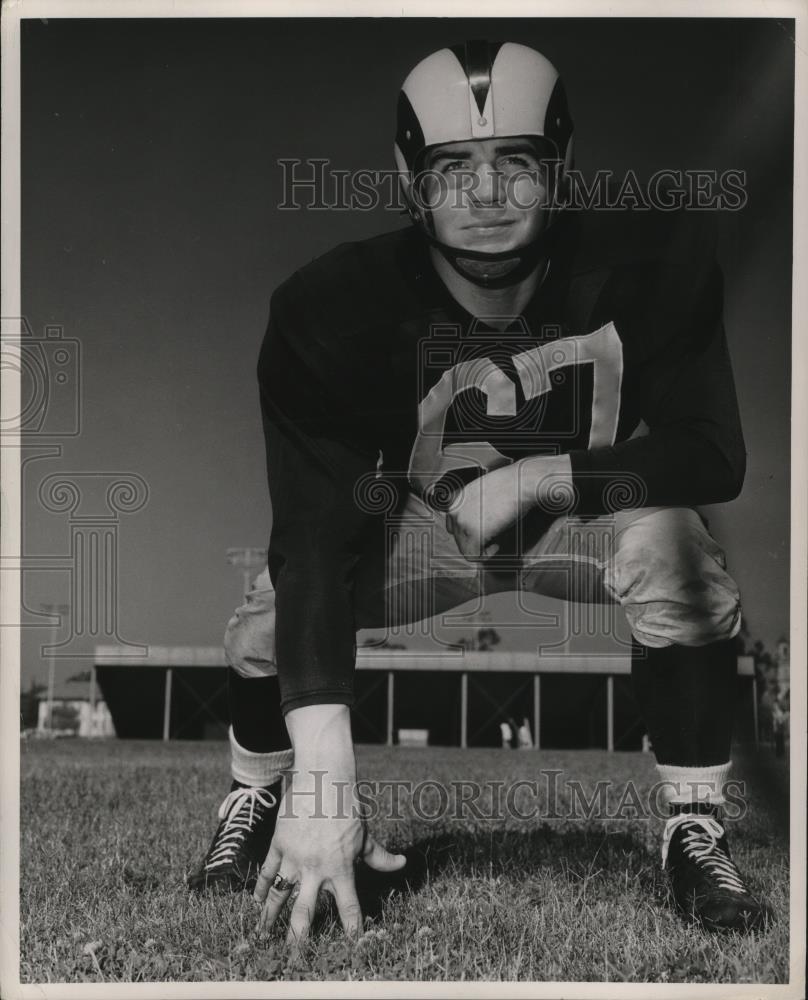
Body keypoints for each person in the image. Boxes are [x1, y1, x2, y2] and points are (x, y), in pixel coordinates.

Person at [188, 40, 767, 942]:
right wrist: (326, 775)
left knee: (680, 553)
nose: (487, 195)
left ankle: (693, 823)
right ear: (410, 177)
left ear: (562, 167)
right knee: (274, 609)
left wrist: (542, 475)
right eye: (454, 167)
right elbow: (312, 529)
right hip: (423, 524)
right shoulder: (331, 305)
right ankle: (259, 799)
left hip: (581, 513)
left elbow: (712, 453)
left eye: (517, 164)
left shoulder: (653, 262)